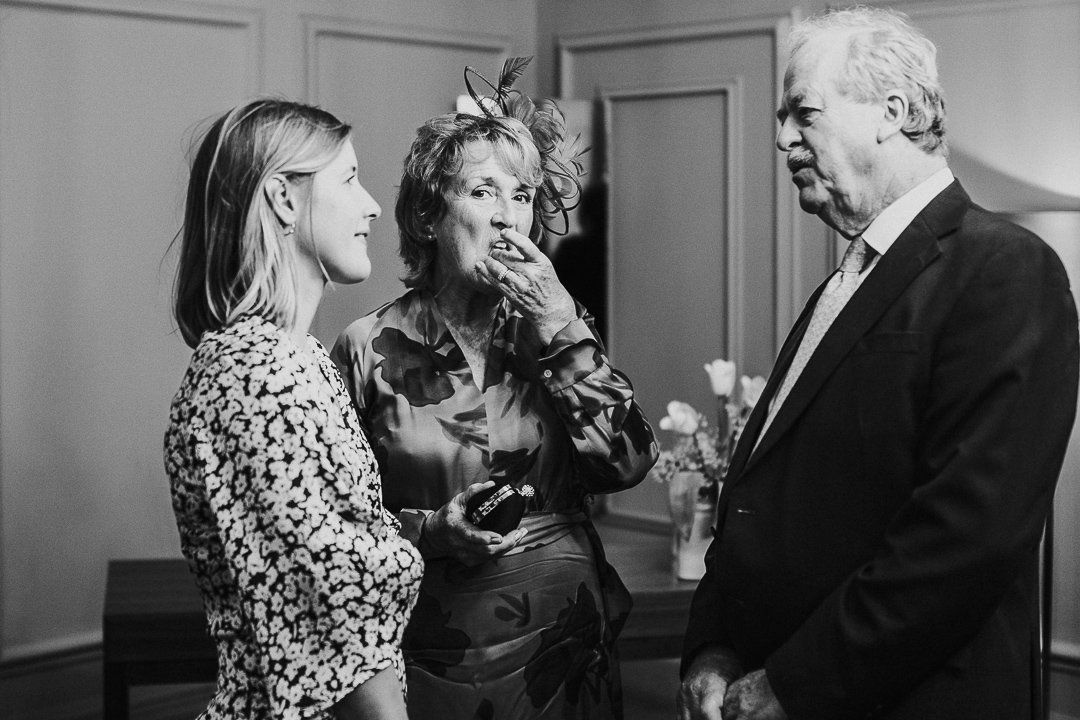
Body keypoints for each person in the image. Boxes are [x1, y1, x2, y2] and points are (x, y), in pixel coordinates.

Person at [679, 7, 1079, 720]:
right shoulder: (846, 280)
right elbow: (759, 488)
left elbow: (962, 544)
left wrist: (791, 686)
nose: (780, 138)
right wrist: (713, 646)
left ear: (890, 112)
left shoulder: (1007, 271)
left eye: (802, 112)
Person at [332, 59, 658, 720]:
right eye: (484, 192)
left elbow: (626, 464)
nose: (510, 218)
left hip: (566, 650)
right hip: (433, 654)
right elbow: (333, 529)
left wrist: (561, 322)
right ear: (429, 215)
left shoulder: (555, 329)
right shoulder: (366, 347)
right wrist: (431, 532)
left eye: (523, 196)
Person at [165, 99, 422, 720]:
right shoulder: (262, 374)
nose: (372, 206)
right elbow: (338, 625)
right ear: (283, 199)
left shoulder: (288, 358)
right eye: (349, 178)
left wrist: (425, 532)